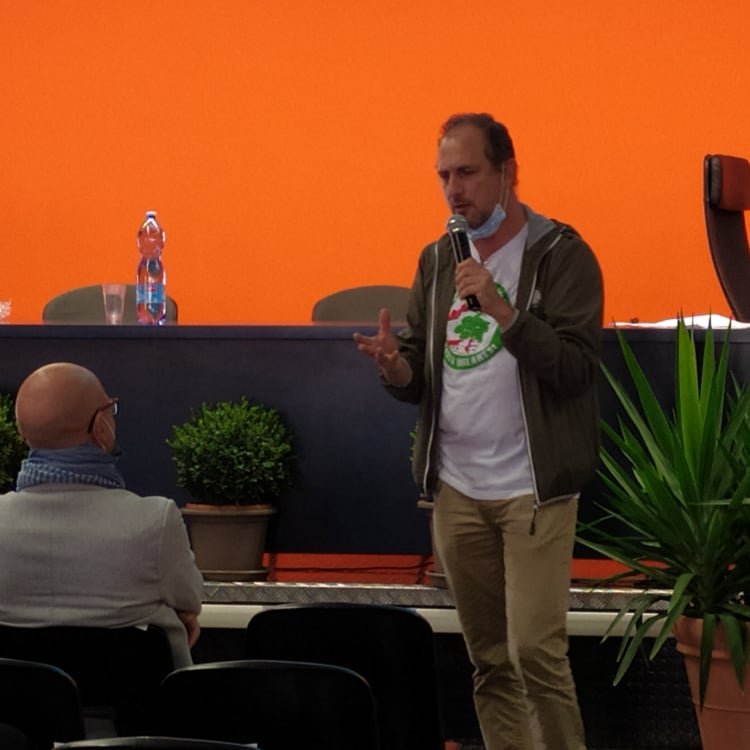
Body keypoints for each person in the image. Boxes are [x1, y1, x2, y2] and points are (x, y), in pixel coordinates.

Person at [354, 113, 603, 750]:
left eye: (467, 172)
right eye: (444, 176)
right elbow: (421, 372)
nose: (453, 189)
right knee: (489, 661)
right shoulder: (439, 259)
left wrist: (502, 310)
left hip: (532, 488)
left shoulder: (562, 255)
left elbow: (575, 370)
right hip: (458, 489)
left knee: (535, 653)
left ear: (507, 172)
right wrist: (396, 366)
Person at [0, 362, 203, 669]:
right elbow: (189, 599)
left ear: (22, 434)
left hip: (19, 701)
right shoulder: (155, 521)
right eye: (111, 409)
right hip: (137, 699)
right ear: (100, 427)